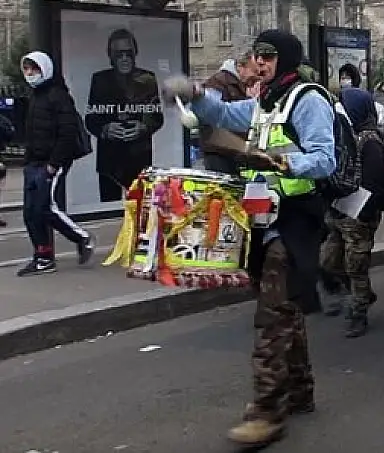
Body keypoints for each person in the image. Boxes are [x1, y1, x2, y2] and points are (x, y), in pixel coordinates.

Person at [163, 29, 336, 446]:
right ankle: (299, 390)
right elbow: (226, 116)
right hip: (265, 217)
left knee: (271, 314)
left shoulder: (308, 99)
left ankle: (267, 411)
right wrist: (195, 94)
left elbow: (325, 158)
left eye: (268, 55)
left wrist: (278, 162)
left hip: (294, 220)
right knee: (285, 309)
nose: (259, 61)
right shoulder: (266, 100)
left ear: (286, 59)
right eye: (256, 54)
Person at [318, 87, 384, 338]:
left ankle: (359, 311)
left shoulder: (370, 142)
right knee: (328, 261)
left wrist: (362, 213)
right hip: (339, 211)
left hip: (358, 215)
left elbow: (374, 184)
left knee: (355, 265)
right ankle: (363, 294)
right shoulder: (343, 134)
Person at [17, 51, 95, 277]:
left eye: (35, 69)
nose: (30, 73)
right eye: (27, 69)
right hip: (33, 163)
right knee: (31, 212)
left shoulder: (57, 96)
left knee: (45, 207)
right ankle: (42, 256)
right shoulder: (35, 96)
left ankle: (82, 238)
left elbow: (67, 133)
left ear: (46, 69)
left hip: (51, 163)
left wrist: (53, 164)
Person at [85, 28, 165, 202]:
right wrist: (105, 129)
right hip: (109, 162)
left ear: (135, 53)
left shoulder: (148, 79)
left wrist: (144, 127)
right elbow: (91, 118)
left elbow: (157, 116)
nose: (124, 59)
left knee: (140, 210)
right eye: (118, 54)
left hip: (139, 158)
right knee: (108, 209)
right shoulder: (100, 80)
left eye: (128, 53)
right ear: (110, 56)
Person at [200, 51, 258, 174]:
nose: (257, 76)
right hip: (220, 153)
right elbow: (211, 114)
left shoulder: (242, 84)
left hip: (235, 151)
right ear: (240, 67)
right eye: (254, 71)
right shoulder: (218, 82)